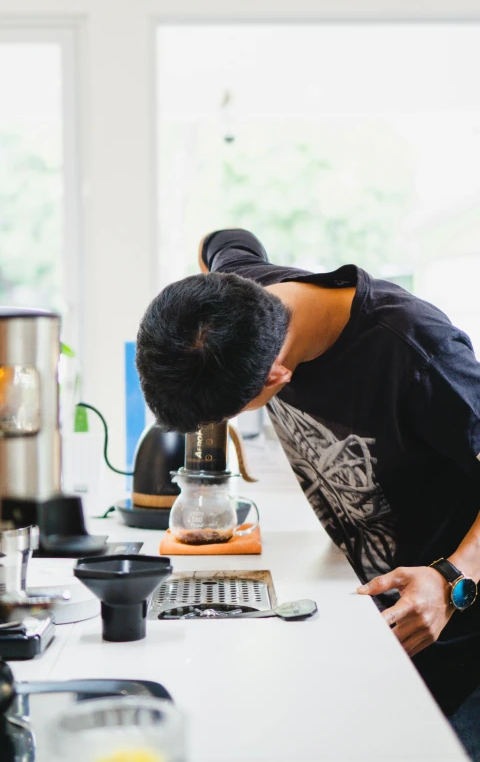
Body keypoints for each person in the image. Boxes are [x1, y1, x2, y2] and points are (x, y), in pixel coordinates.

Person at [136, 228, 480, 758]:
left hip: (456, 627)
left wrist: (451, 578)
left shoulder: (418, 352)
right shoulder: (243, 297)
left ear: (277, 377)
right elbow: (224, 239)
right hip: (377, 613)